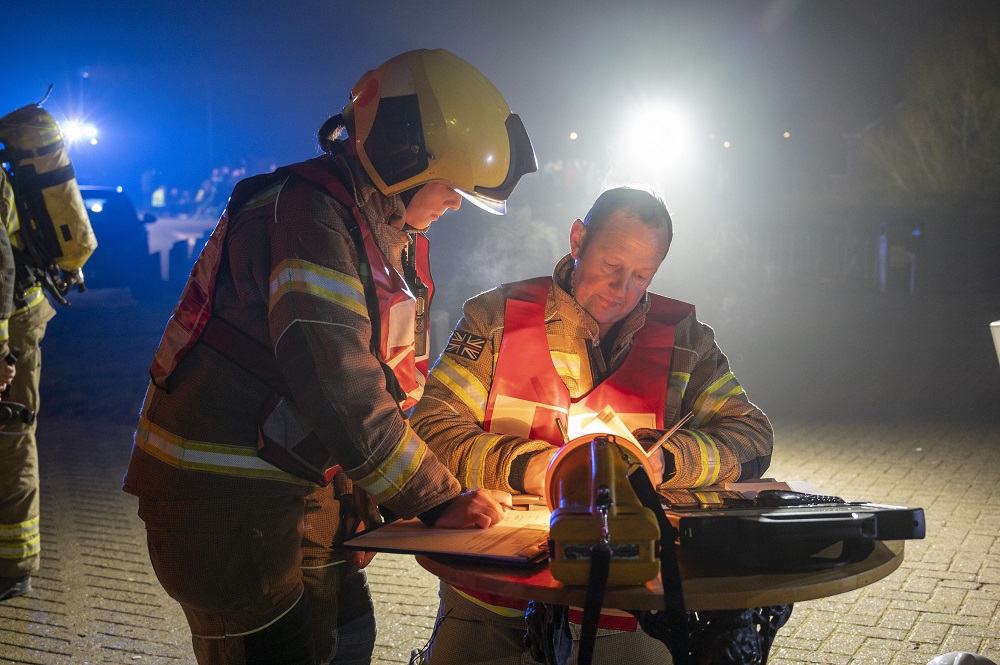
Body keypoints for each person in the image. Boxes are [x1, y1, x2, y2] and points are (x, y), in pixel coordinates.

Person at [123, 48, 536, 664]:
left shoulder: (391, 236)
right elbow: (336, 381)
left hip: (294, 497)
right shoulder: (307, 215)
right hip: (225, 504)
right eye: (451, 188)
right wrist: (436, 497)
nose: (454, 205)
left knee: (347, 641)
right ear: (404, 157)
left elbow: (391, 384)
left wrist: (367, 503)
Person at [410, 186, 774, 664]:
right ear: (578, 240)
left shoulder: (684, 339)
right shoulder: (496, 319)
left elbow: (752, 437)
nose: (622, 290)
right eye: (611, 266)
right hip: (488, 603)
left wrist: (667, 461)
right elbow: (430, 428)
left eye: (641, 276)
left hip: (629, 613)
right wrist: (542, 469)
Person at [0, 156, 58, 603]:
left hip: (13, 323)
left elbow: (1, 267)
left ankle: (14, 568)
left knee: (11, 434)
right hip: (13, 319)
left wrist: (2, 353)